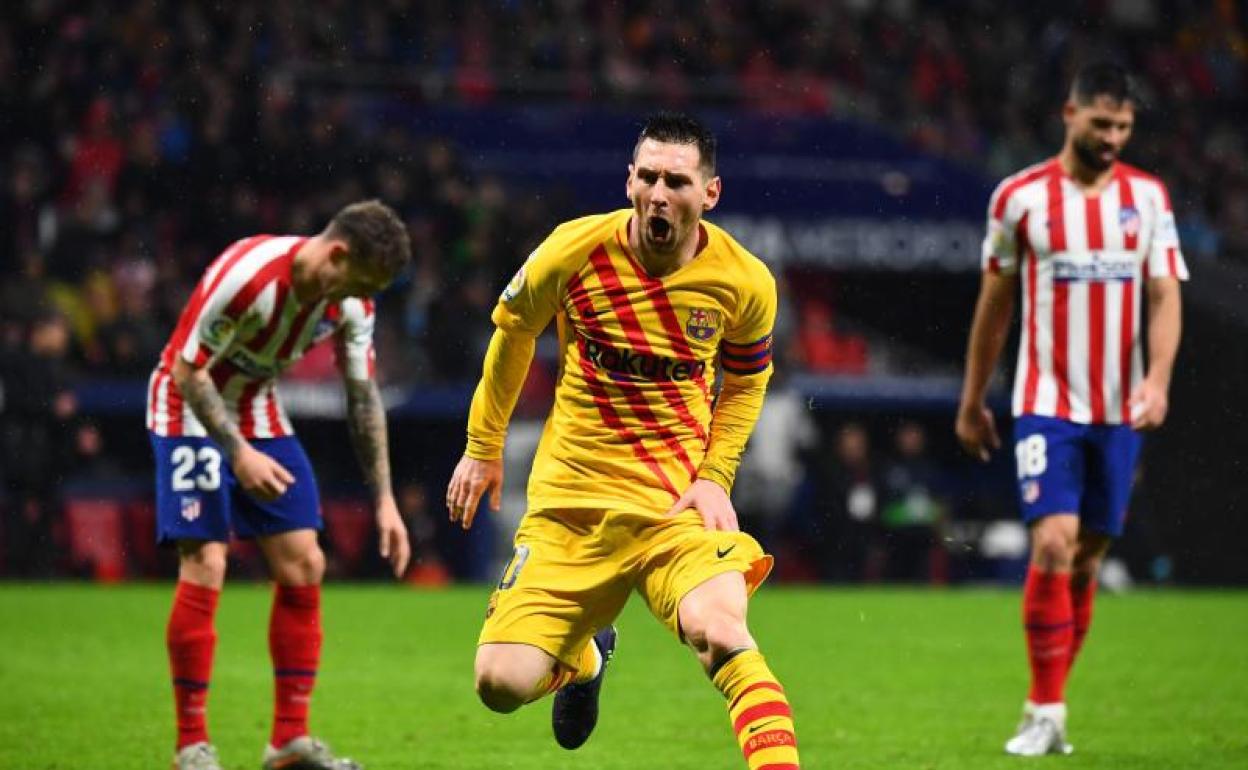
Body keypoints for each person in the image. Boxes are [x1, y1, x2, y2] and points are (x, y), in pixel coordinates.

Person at [446, 112, 801, 769]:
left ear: (710, 193)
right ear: (629, 181)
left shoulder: (745, 281)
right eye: (648, 176)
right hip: (569, 509)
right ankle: (584, 659)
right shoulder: (572, 250)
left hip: (674, 512)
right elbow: (514, 332)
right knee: (498, 685)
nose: (660, 192)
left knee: (721, 633)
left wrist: (715, 477)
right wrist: (482, 445)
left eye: (677, 180)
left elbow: (749, 381)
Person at [956, 62, 1187, 757]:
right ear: (1070, 115)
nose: (1113, 137)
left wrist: (1160, 380)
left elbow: (1165, 295)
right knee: (1052, 542)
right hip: (1046, 402)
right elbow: (994, 301)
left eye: (1123, 126)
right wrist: (972, 399)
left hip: (1121, 407)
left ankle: (1049, 701)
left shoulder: (1147, 198)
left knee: (1086, 560)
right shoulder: (1020, 198)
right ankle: (1046, 708)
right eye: (1101, 124)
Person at [147, 200, 413, 770]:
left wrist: (385, 500)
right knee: (207, 561)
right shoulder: (247, 277)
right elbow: (186, 370)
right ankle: (191, 747)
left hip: (254, 407)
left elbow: (363, 397)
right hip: (186, 405)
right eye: (358, 284)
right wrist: (237, 454)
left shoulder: (352, 301)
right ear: (337, 255)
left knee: (304, 562)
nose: (358, 300)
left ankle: (287, 741)